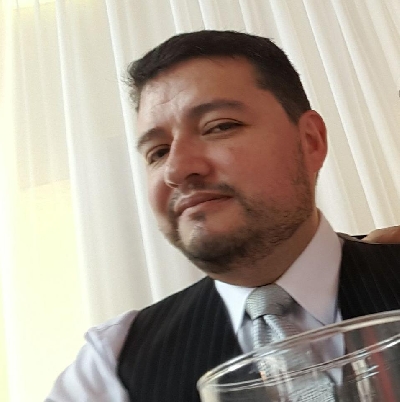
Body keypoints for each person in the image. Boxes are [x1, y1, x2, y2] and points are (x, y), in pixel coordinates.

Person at [46, 30, 400, 402]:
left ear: (310, 140)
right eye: (158, 152)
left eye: (219, 127)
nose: (177, 169)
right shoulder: (111, 365)